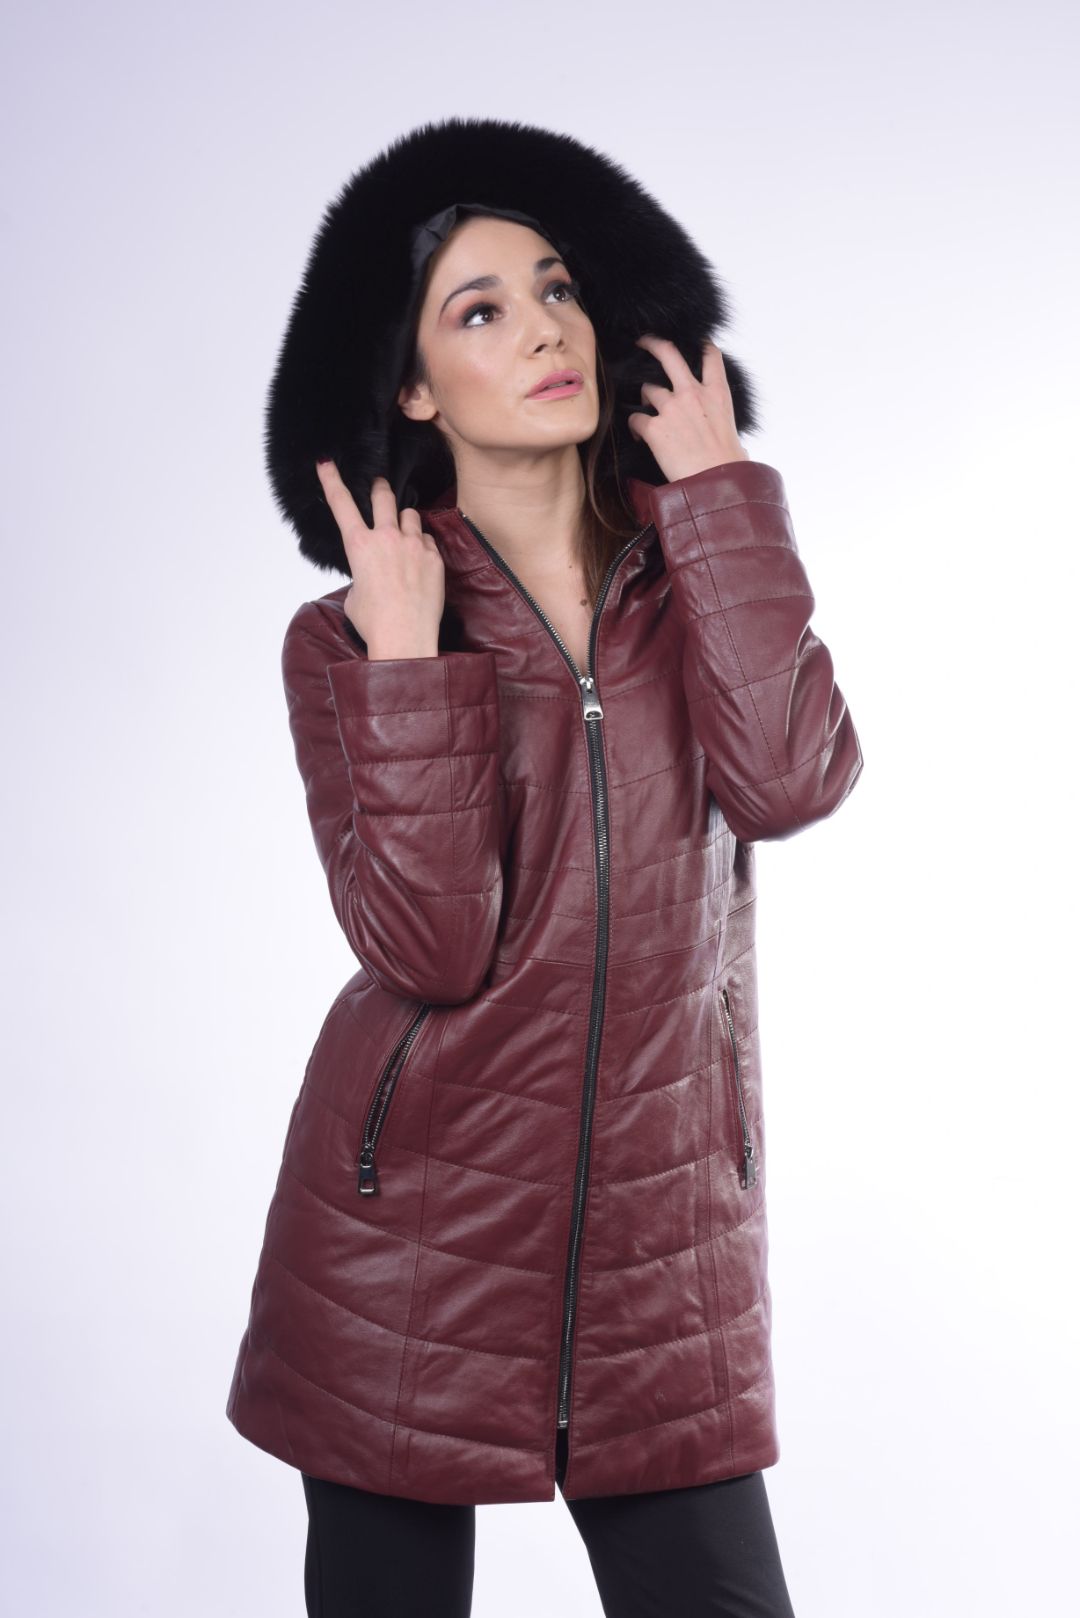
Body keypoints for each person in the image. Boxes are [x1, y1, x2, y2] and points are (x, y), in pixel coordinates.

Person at [226, 117, 863, 1617]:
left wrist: (721, 500)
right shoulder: (346, 640)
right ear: (411, 386)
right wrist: (408, 665)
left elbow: (790, 780)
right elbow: (431, 948)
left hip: (661, 1243)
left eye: (559, 288)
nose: (543, 328)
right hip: (406, 1242)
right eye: (481, 310)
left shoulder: (696, 577)